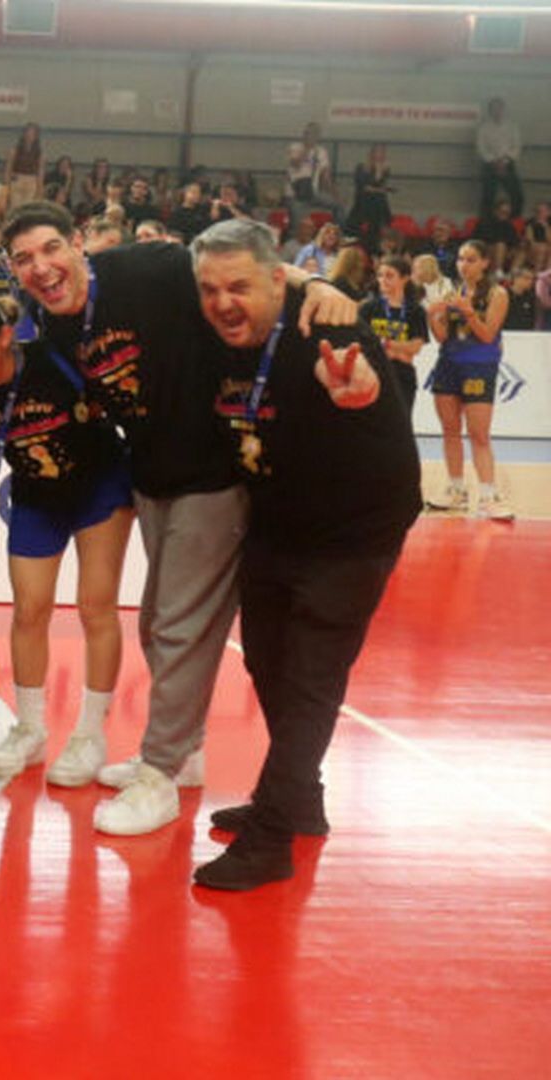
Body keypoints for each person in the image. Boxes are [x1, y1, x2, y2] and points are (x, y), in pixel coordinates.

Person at [2, 199, 357, 836]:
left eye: (51, 248)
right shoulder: (50, 324)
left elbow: (238, 268)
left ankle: (159, 776)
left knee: (179, 626)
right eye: (24, 259)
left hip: (213, 472)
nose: (42, 267)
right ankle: (185, 752)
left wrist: (319, 284)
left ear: (78, 243)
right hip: (152, 475)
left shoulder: (148, 267)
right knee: (157, 625)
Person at [187, 218, 419, 889]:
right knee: (266, 659)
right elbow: (223, 267)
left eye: (239, 287)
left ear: (274, 283)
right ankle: (301, 798)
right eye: (210, 290)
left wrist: (354, 383)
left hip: (356, 530)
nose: (223, 302)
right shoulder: (235, 317)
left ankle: (269, 840)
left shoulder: (330, 328)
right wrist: (308, 273)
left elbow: (358, 385)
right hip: (279, 518)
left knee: (313, 677)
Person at [0, 293, 133, 787]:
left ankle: (90, 734)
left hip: (100, 488)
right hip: (36, 496)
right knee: (29, 611)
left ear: (5, 337)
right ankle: (30, 730)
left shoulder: (53, 358)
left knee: (95, 606)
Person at [425, 239, 512, 519]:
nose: (464, 265)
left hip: (479, 367)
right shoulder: (452, 292)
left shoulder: (498, 293)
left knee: (478, 434)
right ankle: (456, 490)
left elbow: (487, 335)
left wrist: (469, 312)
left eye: (471, 259)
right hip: (448, 364)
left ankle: (488, 496)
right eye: (461, 259)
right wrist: (432, 315)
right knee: (450, 430)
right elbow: (442, 337)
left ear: (485, 262)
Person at [364, 255, 428, 410]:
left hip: (402, 374)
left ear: (404, 278)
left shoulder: (416, 310)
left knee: (401, 420)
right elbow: (362, 341)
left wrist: (385, 343)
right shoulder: (368, 308)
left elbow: (415, 346)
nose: (383, 280)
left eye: (389, 276)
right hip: (372, 371)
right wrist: (399, 349)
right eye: (380, 275)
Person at [285, 122, 343, 228]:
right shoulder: (295, 147)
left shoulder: (321, 151)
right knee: (298, 226)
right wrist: (307, 148)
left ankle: (335, 233)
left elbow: (326, 177)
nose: (311, 136)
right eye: (308, 133)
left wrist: (336, 194)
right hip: (295, 195)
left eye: (314, 133)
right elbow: (296, 164)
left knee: (338, 206)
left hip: (312, 193)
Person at [476, 97, 524, 218]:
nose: (497, 111)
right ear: (490, 111)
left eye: (499, 108)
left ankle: (514, 220)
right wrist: (494, 161)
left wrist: (504, 161)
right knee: (488, 197)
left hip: (508, 164)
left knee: (517, 195)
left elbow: (517, 146)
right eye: (494, 109)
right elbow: (481, 148)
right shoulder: (484, 128)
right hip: (490, 165)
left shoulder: (512, 126)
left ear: (503, 109)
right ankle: (487, 222)